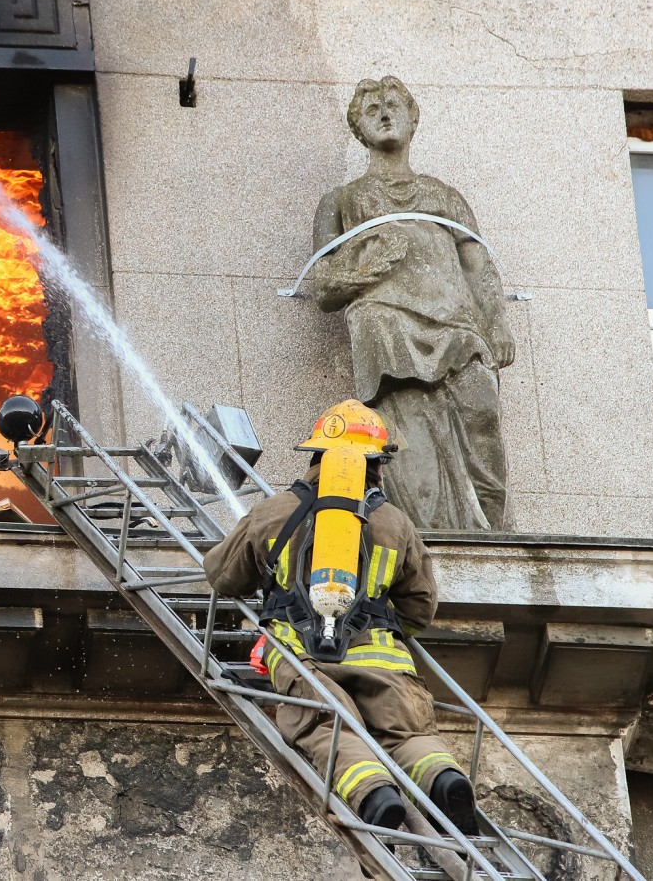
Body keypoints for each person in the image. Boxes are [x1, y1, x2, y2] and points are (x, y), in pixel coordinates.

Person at [202, 399, 480, 834]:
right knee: (408, 734)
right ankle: (446, 782)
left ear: (316, 456)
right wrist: (380, 628)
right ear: (376, 467)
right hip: (385, 660)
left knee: (326, 727)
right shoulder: (395, 522)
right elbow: (420, 606)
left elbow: (223, 576)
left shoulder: (274, 511)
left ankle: (375, 796)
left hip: (303, 656)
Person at [310, 76, 514, 532]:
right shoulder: (342, 201)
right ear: (359, 130)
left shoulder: (444, 195)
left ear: (413, 118)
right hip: (386, 326)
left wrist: (497, 325)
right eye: (372, 109)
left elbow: (477, 264)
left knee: (482, 416)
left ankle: (493, 537)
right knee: (409, 438)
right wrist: (367, 270)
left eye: (393, 105)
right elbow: (323, 286)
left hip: (458, 326)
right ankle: (431, 536)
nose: (384, 113)